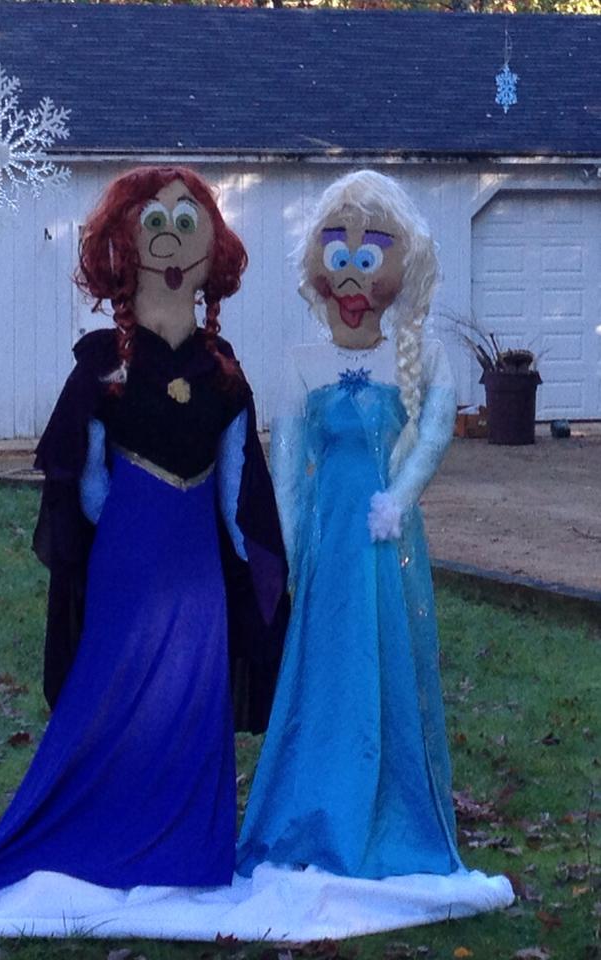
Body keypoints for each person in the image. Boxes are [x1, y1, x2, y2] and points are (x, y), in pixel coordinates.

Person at [0, 165, 288, 919]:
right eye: (154, 223)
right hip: (129, 558)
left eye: (188, 222)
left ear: (214, 251)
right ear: (123, 247)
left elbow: (237, 479)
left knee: (193, 695)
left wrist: (254, 570)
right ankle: (101, 823)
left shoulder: (223, 374)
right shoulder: (105, 365)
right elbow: (84, 477)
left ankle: (187, 843)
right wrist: (113, 544)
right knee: (113, 691)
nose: (171, 236)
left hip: (196, 570)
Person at [237, 169, 463, 880]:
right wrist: (289, 553)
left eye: (369, 258)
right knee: (327, 662)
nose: (355, 276)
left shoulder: (423, 357)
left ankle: (390, 803)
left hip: (386, 540)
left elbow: (435, 431)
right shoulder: (303, 364)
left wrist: (400, 497)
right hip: (329, 545)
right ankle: (316, 797)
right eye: (341, 257)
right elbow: (286, 466)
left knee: (385, 657)